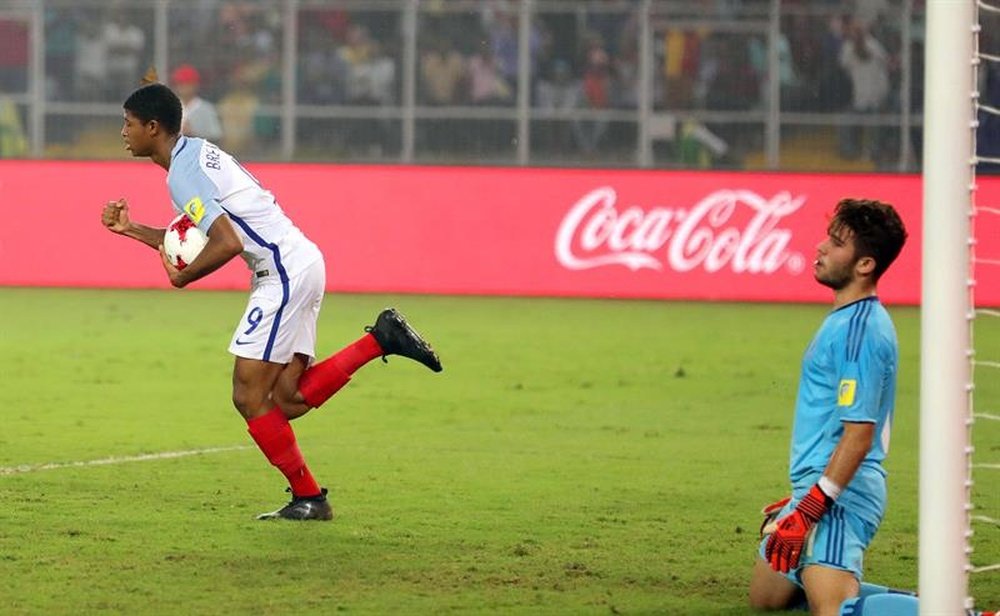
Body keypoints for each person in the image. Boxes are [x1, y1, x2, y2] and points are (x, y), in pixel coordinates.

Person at [100, 83, 443, 521]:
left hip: (281, 273)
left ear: (153, 127)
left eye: (128, 124)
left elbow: (225, 243)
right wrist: (132, 230)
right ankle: (380, 340)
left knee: (248, 393)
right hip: (300, 260)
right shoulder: (196, 154)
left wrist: (182, 278)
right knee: (288, 397)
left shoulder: (183, 176)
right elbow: (191, 239)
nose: (122, 132)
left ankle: (310, 497)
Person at [748, 198, 908, 616]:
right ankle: (889, 598)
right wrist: (801, 495)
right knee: (766, 599)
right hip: (816, 486)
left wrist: (812, 509)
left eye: (836, 243)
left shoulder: (861, 332)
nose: (820, 247)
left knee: (834, 612)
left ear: (865, 265)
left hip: (842, 499)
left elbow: (859, 437)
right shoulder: (845, 319)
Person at [170, 64, 223, 142]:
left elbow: (216, 137)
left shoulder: (207, 109)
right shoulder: (169, 108)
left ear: (196, 85)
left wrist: (193, 134)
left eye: (188, 83)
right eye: (181, 83)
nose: (184, 87)